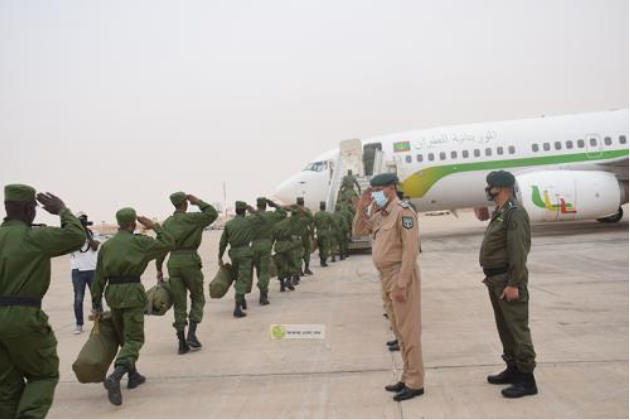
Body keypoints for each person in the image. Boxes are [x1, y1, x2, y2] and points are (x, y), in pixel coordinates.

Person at [0, 185, 85, 418]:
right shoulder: (34, 237)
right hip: (22, 318)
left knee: (7, 387)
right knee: (43, 375)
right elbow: (77, 237)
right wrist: (62, 211)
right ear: (29, 209)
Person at [91, 207, 174, 406]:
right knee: (134, 338)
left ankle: (133, 375)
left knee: (123, 337)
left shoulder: (107, 246)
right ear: (133, 223)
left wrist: (96, 304)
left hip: (113, 294)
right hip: (132, 293)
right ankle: (116, 377)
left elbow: (98, 277)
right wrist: (155, 226)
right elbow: (168, 243)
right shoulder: (140, 242)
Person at [353, 173, 425, 401]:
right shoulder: (381, 213)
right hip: (385, 277)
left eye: (378, 189)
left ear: (391, 188)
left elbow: (410, 250)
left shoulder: (404, 212)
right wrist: (361, 208)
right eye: (372, 190)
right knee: (398, 329)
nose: (374, 193)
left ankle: (416, 382)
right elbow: (358, 232)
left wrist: (402, 283)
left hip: (399, 275)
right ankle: (407, 376)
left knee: (408, 331)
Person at [480, 170, 537, 398]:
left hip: (507, 280)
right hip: (495, 280)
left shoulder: (515, 213)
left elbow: (518, 252)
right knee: (505, 329)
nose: (488, 191)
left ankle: (527, 379)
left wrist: (514, 283)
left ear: (501, 188)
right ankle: (513, 369)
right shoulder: (501, 213)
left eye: (490, 187)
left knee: (517, 329)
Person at [156, 192, 218, 355]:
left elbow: (162, 246)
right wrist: (198, 201)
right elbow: (212, 213)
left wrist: (159, 268)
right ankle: (191, 334)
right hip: (190, 260)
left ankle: (181, 342)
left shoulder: (167, 223)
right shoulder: (193, 218)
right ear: (185, 203)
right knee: (198, 297)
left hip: (173, 262)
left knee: (179, 302)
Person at [219, 201, 260, 318]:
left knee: (238, 277)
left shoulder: (229, 224)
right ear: (244, 210)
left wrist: (220, 256)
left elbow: (223, 242)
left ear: (236, 210)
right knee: (242, 279)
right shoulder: (250, 221)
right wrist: (254, 211)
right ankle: (237, 308)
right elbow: (263, 220)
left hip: (234, 254)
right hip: (245, 253)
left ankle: (242, 300)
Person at [249, 198, 286, 305]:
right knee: (265, 271)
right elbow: (283, 213)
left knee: (259, 271)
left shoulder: (251, 217)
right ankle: (263, 295)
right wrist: (274, 204)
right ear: (266, 205)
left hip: (254, 245)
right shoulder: (270, 215)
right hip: (266, 245)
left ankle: (262, 288)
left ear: (257, 205)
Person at [70, 211, 101, 334]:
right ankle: (79, 324)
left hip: (93, 269)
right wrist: (78, 233)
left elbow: (94, 247)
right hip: (77, 271)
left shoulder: (94, 233)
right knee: (78, 299)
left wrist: (87, 234)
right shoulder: (72, 236)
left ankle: (99, 322)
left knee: (96, 297)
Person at [271, 206, 298, 292]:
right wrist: (289, 208)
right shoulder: (289, 221)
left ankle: (282, 285)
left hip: (279, 246)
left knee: (280, 266)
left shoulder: (274, 226)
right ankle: (288, 281)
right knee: (291, 264)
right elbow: (296, 212)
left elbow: (272, 239)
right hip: (288, 245)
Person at [295, 197, 315, 276]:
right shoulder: (307, 210)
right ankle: (306, 268)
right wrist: (313, 235)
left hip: (297, 234)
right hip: (305, 234)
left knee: (298, 251)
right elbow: (311, 224)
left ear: (297, 203)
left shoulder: (295, 211)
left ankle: (299, 270)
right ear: (303, 202)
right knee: (307, 250)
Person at [313, 201, 335, 267]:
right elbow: (333, 223)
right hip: (326, 233)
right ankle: (323, 262)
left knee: (320, 248)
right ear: (325, 207)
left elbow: (313, 224)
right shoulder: (328, 214)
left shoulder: (316, 214)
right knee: (326, 248)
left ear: (320, 207)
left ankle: (321, 260)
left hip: (319, 233)